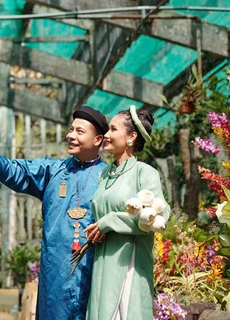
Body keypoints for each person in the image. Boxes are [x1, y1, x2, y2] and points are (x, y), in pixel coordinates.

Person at [0, 106, 109, 320]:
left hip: (95, 271)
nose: (70, 136)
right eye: (70, 129)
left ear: (97, 139)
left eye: (79, 131)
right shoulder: (52, 170)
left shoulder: (109, 178)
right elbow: (13, 171)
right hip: (55, 274)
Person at [84, 105, 170, 320]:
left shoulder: (144, 172)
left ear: (131, 136)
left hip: (128, 261)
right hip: (102, 260)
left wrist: (110, 221)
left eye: (113, 129)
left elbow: (159, 216)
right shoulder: (105, 174)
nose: (106, 134)